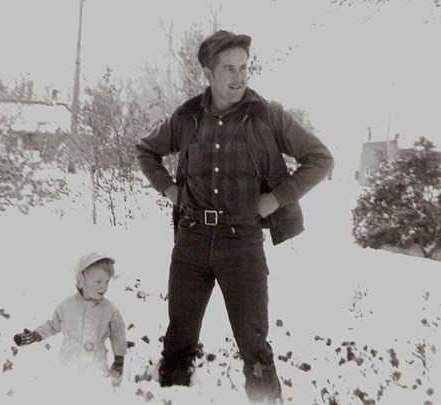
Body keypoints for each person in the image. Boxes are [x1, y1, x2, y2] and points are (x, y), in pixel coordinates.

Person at [136, 30, 333, 403]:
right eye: (229, 68)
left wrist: (276, 199)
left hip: (241, 244)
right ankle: (172, 395)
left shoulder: (268, 116)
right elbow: (146, 150)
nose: (239, 76)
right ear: (209, 74)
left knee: (253, 342)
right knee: (179, 336)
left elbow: (320, 159)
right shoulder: (187, 115)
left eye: (244, 67)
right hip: (191, 241)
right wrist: (170, 190)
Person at [13, 252, 127, 384]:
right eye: (98, 281)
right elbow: (52, 325)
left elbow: (118, 334)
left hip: (96, 364)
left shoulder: (109, 309)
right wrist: (35, 335)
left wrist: (119, 360)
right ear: (81, 280)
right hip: (68, 361)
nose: (104, 287)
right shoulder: (67, 305)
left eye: (106, 282)